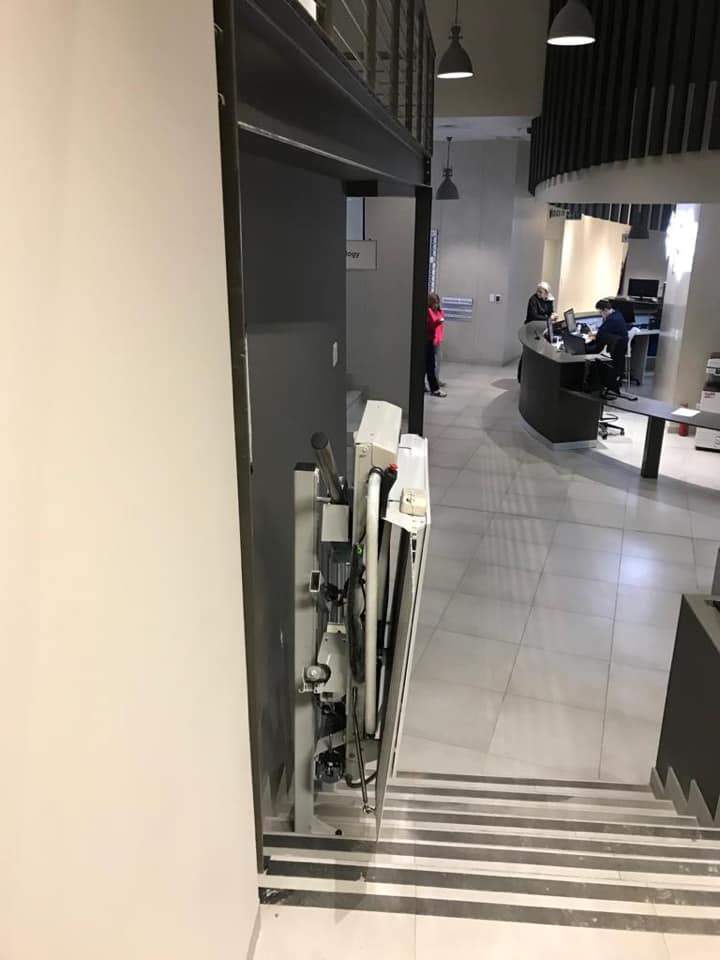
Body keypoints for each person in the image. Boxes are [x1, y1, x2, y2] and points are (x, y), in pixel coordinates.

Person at [519, 282, 558, 382]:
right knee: (527, 352)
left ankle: (534, 378)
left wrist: (553, 315)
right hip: (531, 329)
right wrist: (549, 318)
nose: (538, 293)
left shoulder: (549, 300)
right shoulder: (533, 299)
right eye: (538, 291)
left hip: (542, 329)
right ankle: (521, 377)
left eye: (541, 292)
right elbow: (533, 316)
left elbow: (551, 311)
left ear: (546, 293)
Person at [426, 292, 447, 397]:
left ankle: (432, 387)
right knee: (430, 366)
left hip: (431, 340)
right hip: (427, 341)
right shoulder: (428, 312)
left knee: (429, 365)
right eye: (434, 303)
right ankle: (434, 389)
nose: (436, 305)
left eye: (437, 303)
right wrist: (437, 322)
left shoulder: (436, 311)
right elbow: (429, 325)